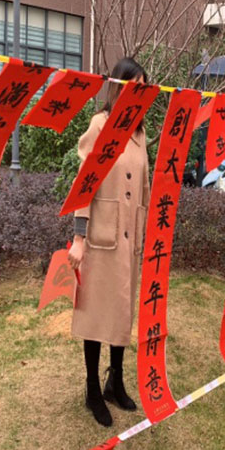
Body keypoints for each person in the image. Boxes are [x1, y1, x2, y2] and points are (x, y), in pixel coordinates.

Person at [67, 58, 151, 427]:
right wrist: (78, 237)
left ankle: (115, 381)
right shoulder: (100, 126)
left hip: (129, 239)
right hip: (101, 237)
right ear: (117, 87)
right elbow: (84, 182)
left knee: (121, 312)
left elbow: (144, 187)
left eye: (144, 88)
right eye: (134, 86)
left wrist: (145, 234)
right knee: (96, 313)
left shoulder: (140, 133)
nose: (139, 94)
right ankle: (91, 389)